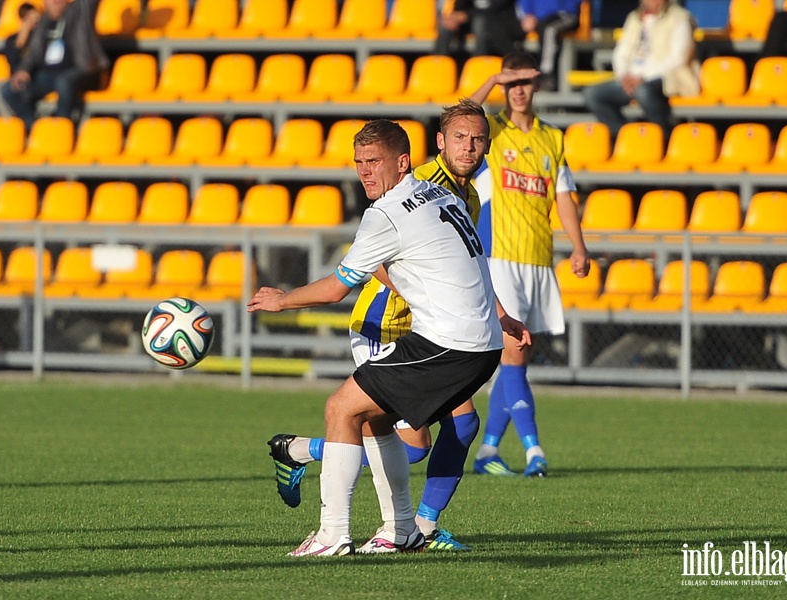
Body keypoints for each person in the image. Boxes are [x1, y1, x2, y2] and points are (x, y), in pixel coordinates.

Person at [248, 119, 529, 557]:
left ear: (402, 162)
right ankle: (402, 530)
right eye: (359, 162)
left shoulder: (386, 213)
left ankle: (332, 536)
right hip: (476, 342)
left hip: (447, 343)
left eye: (374, 161)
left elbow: (337, 288)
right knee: (376, 417)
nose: (364, 171)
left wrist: (282, 301)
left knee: (340, 408)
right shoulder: (438, 194)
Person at [468, 52, 590, 477]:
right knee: (515, 353)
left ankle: (486, 452)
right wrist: (490, 78)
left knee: (517, 358)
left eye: (524, 82)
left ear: (536, 86)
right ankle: (534, 450)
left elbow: (562, 196)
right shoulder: (491, 131)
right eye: (511, 83)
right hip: (499, 255)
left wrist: (578, 246)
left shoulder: (552, 138)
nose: (518, 90)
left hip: (538, 259)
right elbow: (462, 115)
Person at [582, 0, 699, 143]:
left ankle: (665, 137)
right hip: (632, 78)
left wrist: (643, 76)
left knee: (643, 91)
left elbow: (678, 58)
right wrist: (624, 75)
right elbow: (621, 53)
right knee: (593, 94)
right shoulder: (634, 18)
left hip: (668, 77)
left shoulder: (680, 18)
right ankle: (627, 139)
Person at [1, 0, 109, 129]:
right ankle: (35, 128)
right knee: (9, 89)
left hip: (82, 70)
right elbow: (33, 53)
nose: (55, 1)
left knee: (63, 82)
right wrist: (24, 70)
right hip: (50, 74)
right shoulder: (43, 22)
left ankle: (62, 128)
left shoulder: (80, 11)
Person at [517, 0, 582, 91]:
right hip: (539, 20)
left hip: (566, 15)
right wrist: (527, 15)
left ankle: (547, 75)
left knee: (550, 30)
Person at [435, 0, 525, 58]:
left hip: (498, 24)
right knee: (446, 26)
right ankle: (438, 64)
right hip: (471, 21)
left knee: (480, 23)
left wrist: (467, 15)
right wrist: (454, 17)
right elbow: (460, 6)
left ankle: (478, 62)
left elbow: (496, 10)